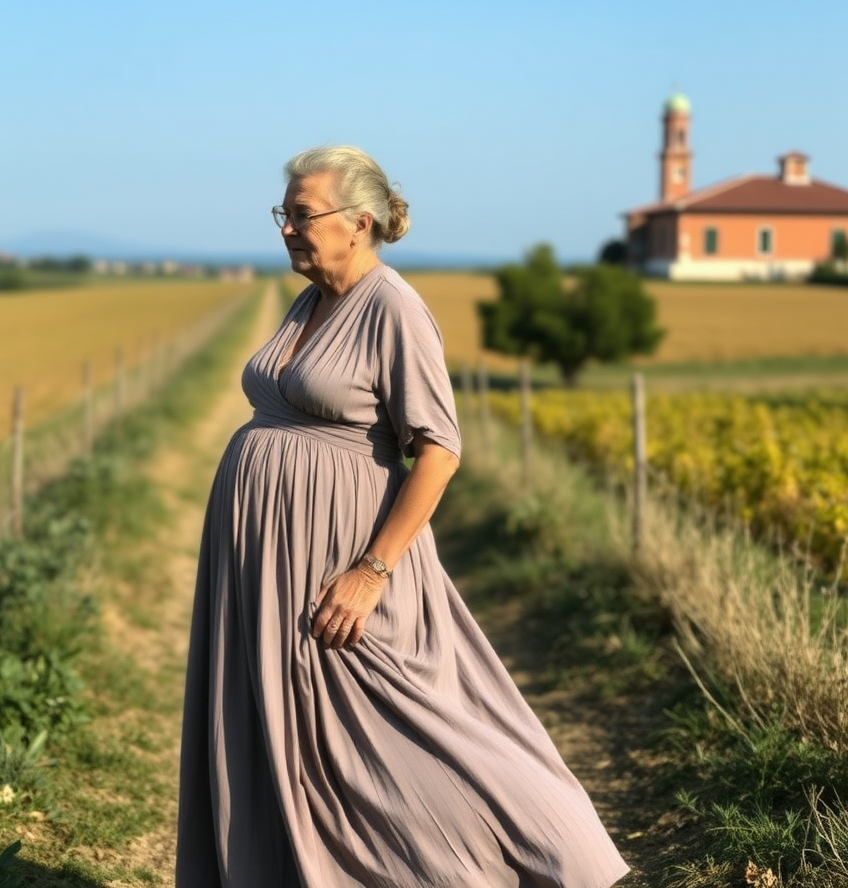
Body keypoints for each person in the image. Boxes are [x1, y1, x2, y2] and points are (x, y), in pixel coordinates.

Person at [175, 146, 629, 888]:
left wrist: (371, 569)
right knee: (288, 730)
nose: (288, 227)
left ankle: (542, 859)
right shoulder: (310, 300)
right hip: (265, 563)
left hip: (344, 556)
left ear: (359, 222)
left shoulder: (393, 307)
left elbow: (440, 451)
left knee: (395, 739)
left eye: (301, 214)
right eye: (282, 214)